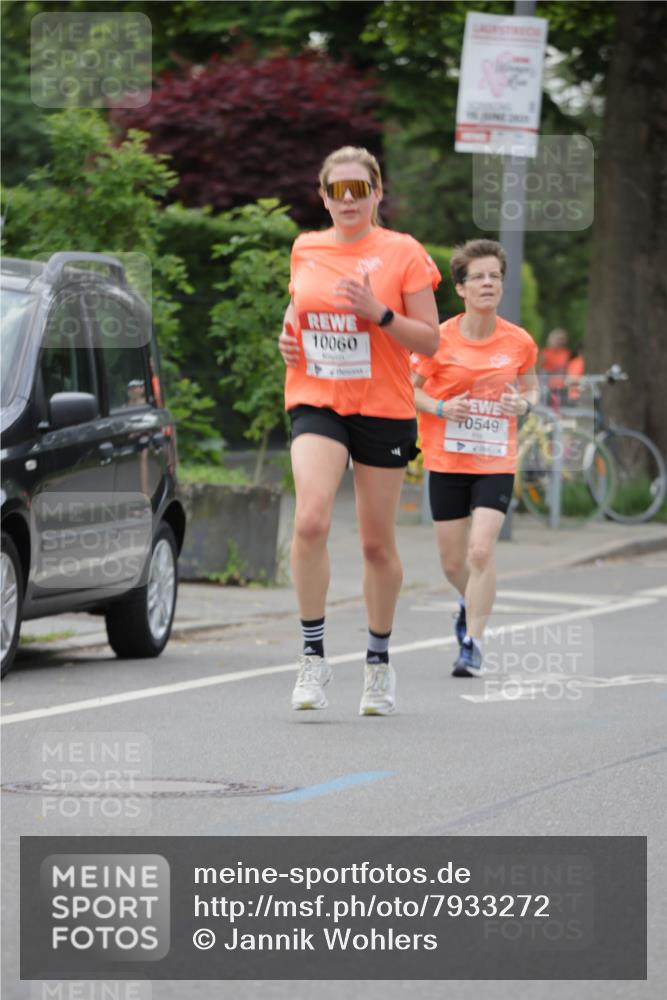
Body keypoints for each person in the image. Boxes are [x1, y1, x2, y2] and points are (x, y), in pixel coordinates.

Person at [278, 146, 441, 715]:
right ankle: (312, 657)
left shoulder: (403, 253)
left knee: (376, 544)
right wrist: (287, 338)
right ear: (323, 196)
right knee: (311, 517)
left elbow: (431, 340)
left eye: (359, 190)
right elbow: (296, 310)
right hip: (317, 398)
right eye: (337, 190)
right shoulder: (306, 247)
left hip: (383, 406)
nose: (348, 200)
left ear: (377, 194)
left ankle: (377, 662)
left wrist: (380, 314)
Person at [412, 239, 539, 677]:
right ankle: (469, 601)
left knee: (481, 551)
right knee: (453, 563)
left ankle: (473, 643)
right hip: (446, 460)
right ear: (461, 289)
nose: (488, 283)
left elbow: (532, 389)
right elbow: (407, 390)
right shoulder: (438, 339)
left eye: (495, 277)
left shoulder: (519, 342)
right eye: (479, 277)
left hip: (494, 461)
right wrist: (443, 408)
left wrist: (522, 406)